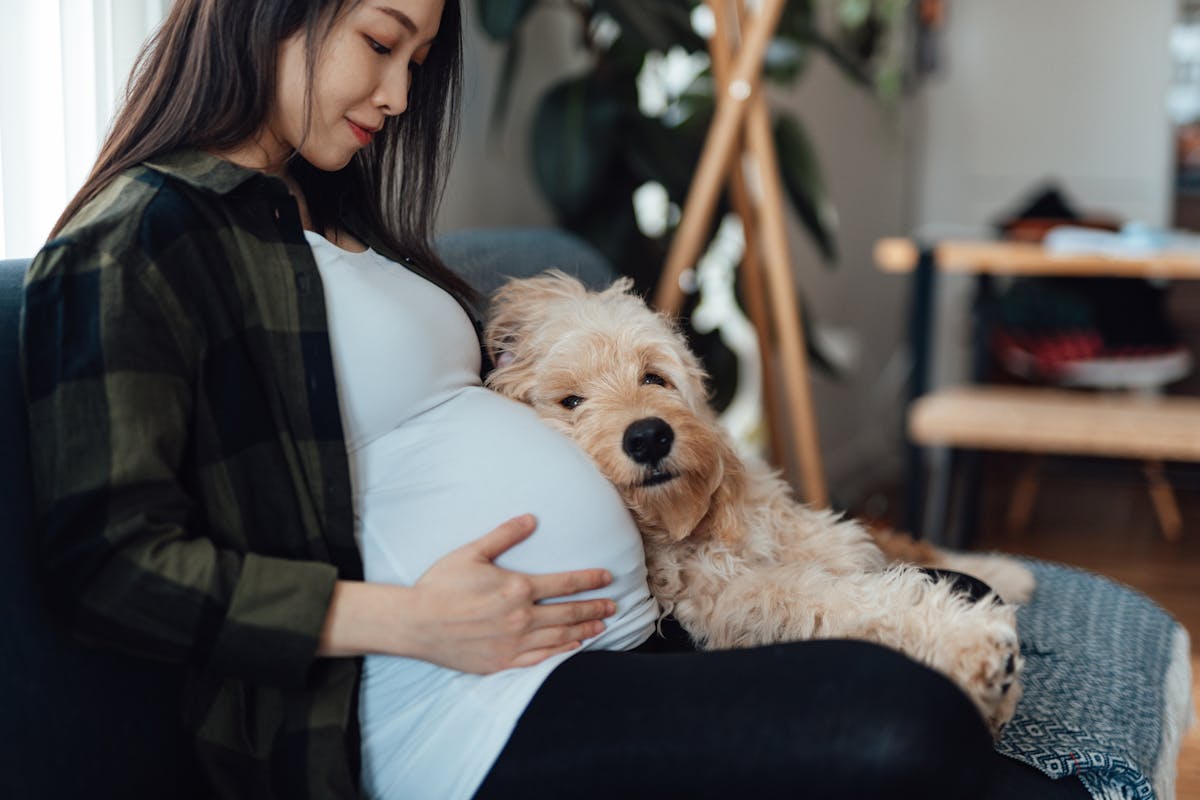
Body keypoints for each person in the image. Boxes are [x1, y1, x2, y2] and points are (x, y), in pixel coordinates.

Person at [19, 1, 1088, 798]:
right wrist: (411, 619)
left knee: (969, 666)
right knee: (903, 721)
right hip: (450, 705)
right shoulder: (136, 238)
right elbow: (106, 564)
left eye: (416, 60)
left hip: (616, 641)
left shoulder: (325, 215)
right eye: (381, 43)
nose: (397, 94)